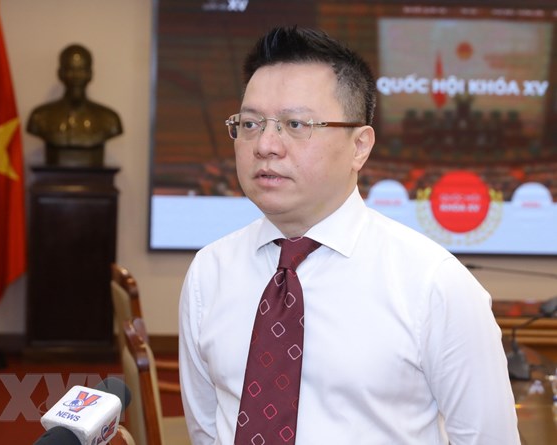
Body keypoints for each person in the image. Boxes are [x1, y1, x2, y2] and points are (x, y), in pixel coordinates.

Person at [178, 26, 520, 444]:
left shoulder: (434, 284)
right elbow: (207, 431)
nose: (265, 144)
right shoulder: (209, 272)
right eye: (250, 123)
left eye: (295, 124)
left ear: (360, 146)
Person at [27, 44, 122, 167]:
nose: (76, 76)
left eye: (82, 70)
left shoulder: (109, 119)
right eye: (70, 70)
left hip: (95, 177)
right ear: (60, 74)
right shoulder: (40, 117)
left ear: (90, 74)